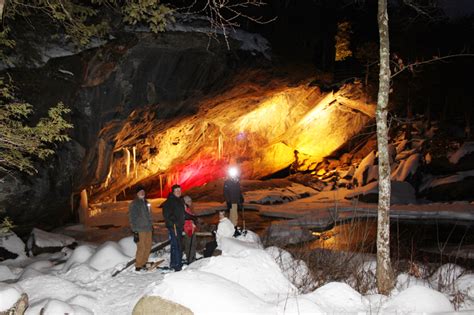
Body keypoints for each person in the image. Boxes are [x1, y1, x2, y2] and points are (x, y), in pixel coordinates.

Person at [128, 186, 153, 271]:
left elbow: (149, 215)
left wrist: (151, 226)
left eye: (143, 191)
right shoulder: (134, 203)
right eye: (140, 192)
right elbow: (132, 217)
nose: (142, 193)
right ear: (137, 193)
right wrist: (134, 230)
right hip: (139, 229)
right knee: (141, 247)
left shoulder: (146, 202)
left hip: (148, 228)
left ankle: (144, 262)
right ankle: (138, 265)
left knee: (148, 245)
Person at [162, 184, 185, 271]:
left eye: (179, 190)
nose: (178, 192)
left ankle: (174, 262)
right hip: (174, 226)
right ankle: (177, 264)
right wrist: (173, 220)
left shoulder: (179, 201)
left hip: (179, 226)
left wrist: (191, 217)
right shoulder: (170, 201)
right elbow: (167, 213)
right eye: (177, 191)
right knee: (177, 245)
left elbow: (181, 213)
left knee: (176, 245)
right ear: (173, 192)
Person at [182, 195, 198, 264]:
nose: (190, 202)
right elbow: (186, 220)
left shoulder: (189, 209)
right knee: (189, 245)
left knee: (193, 244)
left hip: (191, 229)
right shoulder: (184, 209)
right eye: (188, 201)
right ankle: (190, 259)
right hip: (188, 229)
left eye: (190, 201)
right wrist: (187, 229)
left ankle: (192, 257)